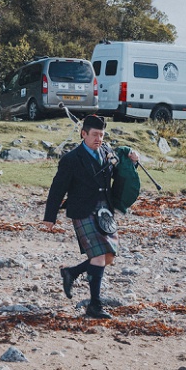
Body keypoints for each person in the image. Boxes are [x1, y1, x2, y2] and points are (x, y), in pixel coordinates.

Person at [42, 114, 138, 319]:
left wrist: (132, 163)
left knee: (109, 256)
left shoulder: (106, 152)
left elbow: (119, 173)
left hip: (105, 211)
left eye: (101, 135)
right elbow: (57, 188)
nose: (99, 139)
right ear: (83, 134)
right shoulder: (71, 159)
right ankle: (95, 305)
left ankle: (72, 272)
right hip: (83, 211)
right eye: (94, 135)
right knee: (98, 257)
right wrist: (50, 216)